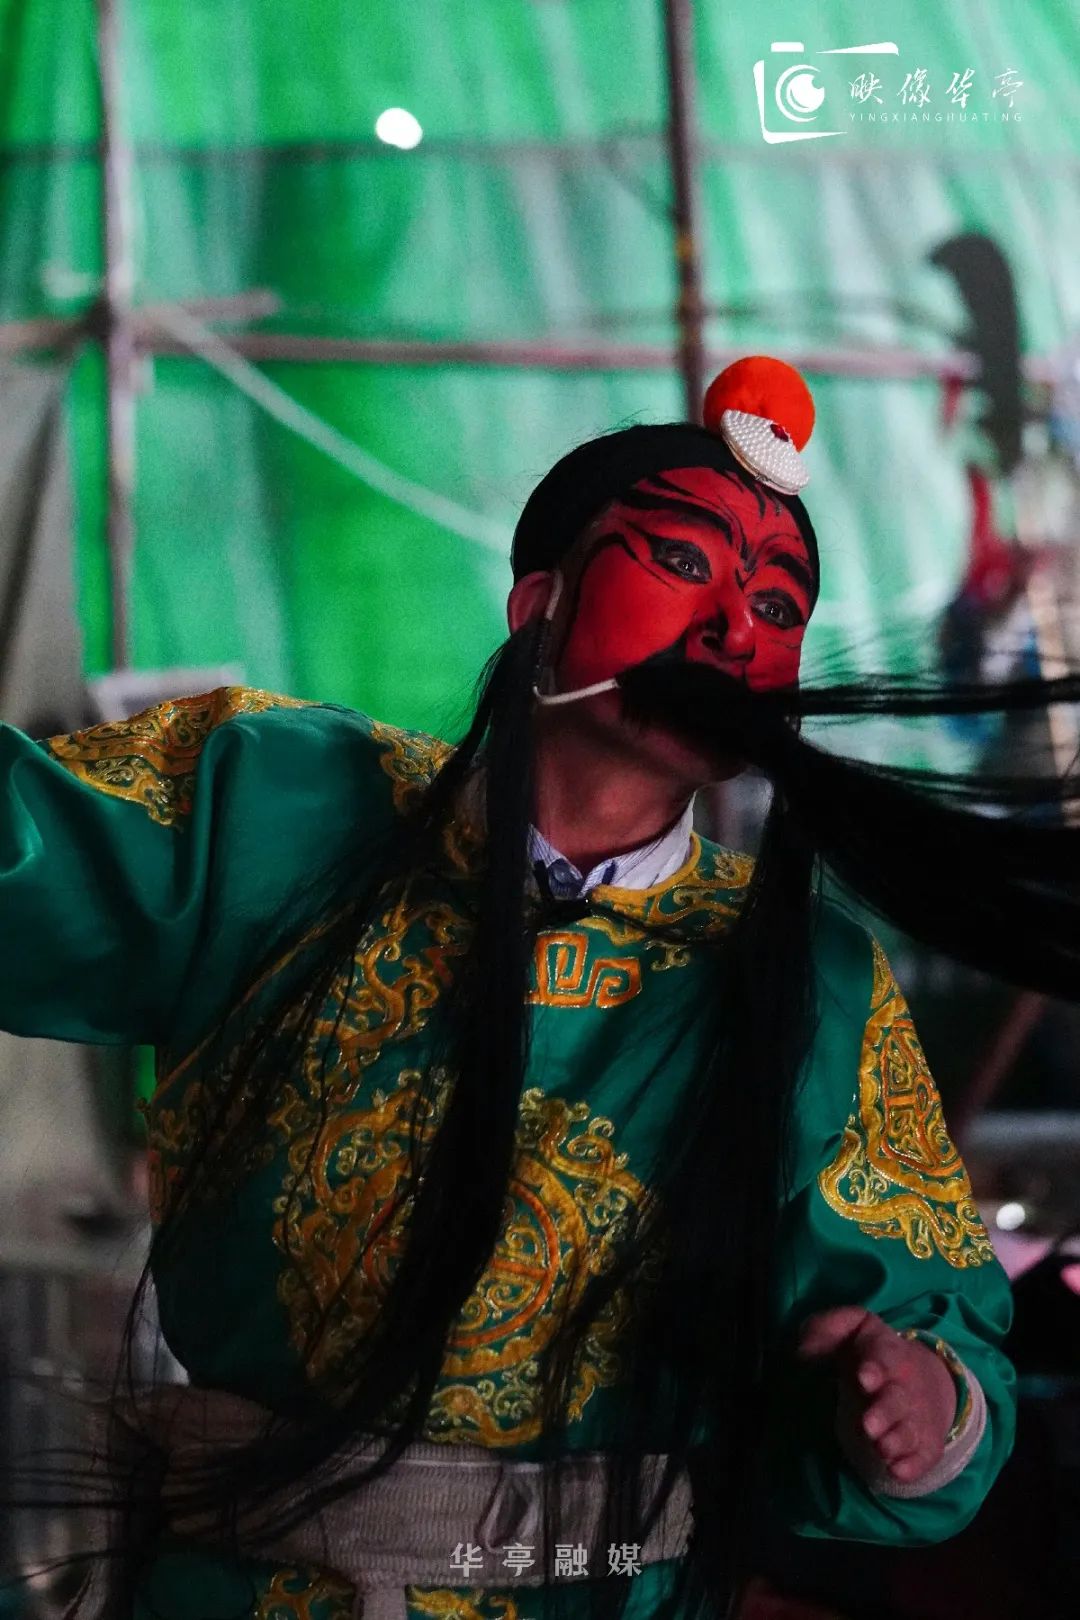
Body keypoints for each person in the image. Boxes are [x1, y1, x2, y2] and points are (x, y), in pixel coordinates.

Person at [4, 355, 1074, 1620]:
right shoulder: (277, 806)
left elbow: (920, 1313)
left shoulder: (809, 978)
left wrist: (925, 1407)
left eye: (779, 606)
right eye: (682, 563)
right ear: (538, 603)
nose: (735, 633)